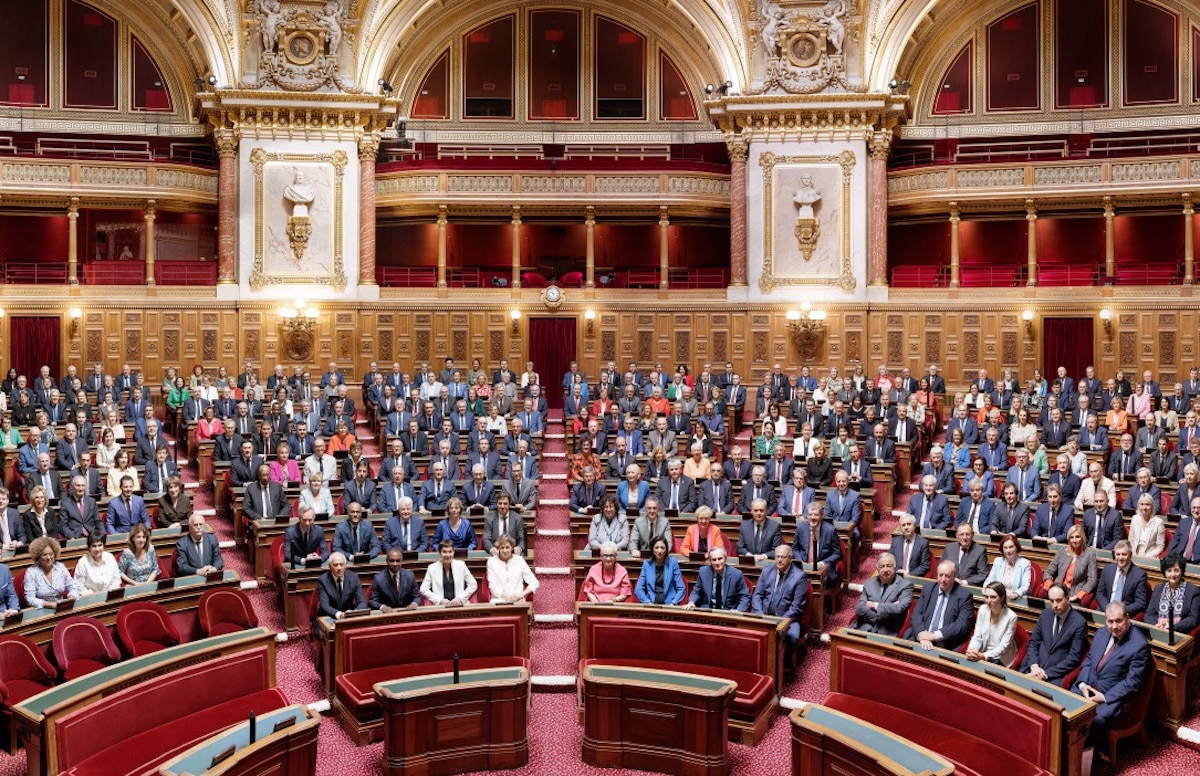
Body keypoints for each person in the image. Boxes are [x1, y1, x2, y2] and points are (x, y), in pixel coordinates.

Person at [1072, 602, 1152, 740]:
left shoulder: (1139, 645)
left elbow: (1133, 682)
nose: (1114, 626)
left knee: (1095, 720)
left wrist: (1104, 697)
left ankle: (1091, 751)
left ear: (1127, 618)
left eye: (1119, 621)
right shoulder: (1101, 633)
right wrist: (1083, 684)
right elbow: (1089, 660)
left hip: (1111, 697)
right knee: (1066, 706)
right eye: (1110, 621)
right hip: (1088, 688)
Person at [1022, 582, 1090, 685]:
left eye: (1058, 600)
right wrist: (1034, 666)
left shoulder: (1079, 623)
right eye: (1051, 601)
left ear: (1067, 599)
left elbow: (1073, 658)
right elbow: (1033, 643)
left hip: (1055, 675)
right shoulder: (1045, 614)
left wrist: (1045, 674)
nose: (1055, 605)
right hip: (1034, 667)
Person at [752, 545, 808, 670]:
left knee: (792, 637)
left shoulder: (799, 577)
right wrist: (760, 614)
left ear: (790, 558)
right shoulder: (767, 571)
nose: (779, 560)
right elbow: (757, 596)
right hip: (764, 615)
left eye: (783, 557)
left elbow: (796, 607)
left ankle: (784, 665)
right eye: (777, 557)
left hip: (788, 619)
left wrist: (781, 622)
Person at [904, 560, 974, 651]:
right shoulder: (928, 589)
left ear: (954, 576)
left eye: (947, 576)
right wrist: (922, 635)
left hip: (945, 643)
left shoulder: (964, 596)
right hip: (921, 638)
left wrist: (934, 636)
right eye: (940, 575)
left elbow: (962, 624)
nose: (943, 580)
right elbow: (916, 615)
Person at [853, 552, 913, 636]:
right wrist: (887, 612)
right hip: (863, 626)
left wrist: (874, 605)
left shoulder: (905, 585)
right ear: (877, 569)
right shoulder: (869, 583)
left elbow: (898, 609)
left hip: (887, 631)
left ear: (895, 567)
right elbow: (859, 609)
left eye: (889, 566)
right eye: (882, 567)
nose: (885, 570)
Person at [965, 581, 1018, 666]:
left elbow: (1003, 647)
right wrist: (972, 650)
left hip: (1000, 657)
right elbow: (977, 637)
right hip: (982, 651)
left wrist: (983, 656)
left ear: (1002, 598)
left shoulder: (1011, 617)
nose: (988, 601)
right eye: (986, 597)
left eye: (993, 597)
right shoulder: (983, 610)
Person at [1042, 525, 1098, 603]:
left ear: (1082, 538)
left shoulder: (1089, 555)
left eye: (1077, 537)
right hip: (1057, 591)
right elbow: (1048, 572)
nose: (1074, 540)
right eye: (1072, 537)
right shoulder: (1062, 551)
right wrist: (1051, 586)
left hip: (1074, 594)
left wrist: (1078, 595)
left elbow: (1092, 580)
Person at [1095, 540, 1150, 619]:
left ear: (1130, 555)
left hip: (1125, 614)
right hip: (1106, 610)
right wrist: (1107, 608)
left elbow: (1141, 602)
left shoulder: (1139, 575)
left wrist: (1120, 611)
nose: (1120, 558)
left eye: (1124, 554)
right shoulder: (1107, 569)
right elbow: (1100, 593)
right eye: (1118, 554)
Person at [684, 546, 750, 611]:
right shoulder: (703, 572)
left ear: (725, 559)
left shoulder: (736, 574)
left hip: (728, 613)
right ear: (710, 561)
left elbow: (745, 596)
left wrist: (738, 610)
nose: (717, 563)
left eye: (720, 559)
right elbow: (696, 591)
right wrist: (691, 602)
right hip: (707, 611)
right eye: (714, 560)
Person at [1147, 553, 1200, 633]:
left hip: (1180, 632)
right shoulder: (1158, 588)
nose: (1173, 574)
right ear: (1164, 572)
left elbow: (1193, 618)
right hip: (1158, 630)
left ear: (1182, 571)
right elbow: (1148, 614)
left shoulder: (1193, 590)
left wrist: (1171, 627)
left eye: (1176, 570)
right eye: (1169, 571)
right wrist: (1158, 625)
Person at [24, 536, 81, 608]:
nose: (49, 558)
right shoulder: (31, 572)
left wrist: (72, 597)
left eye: (51, 554)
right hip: (42, 609)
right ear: (38, 556)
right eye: (44, 555)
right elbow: (29, 599)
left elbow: (73, 587)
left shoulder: (60, 567)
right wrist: (51, 605)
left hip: (61, 608)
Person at [793, 502, 842, 584]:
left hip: (823, 568)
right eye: (810, 515)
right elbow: (795, 548)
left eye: (816, 515)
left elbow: (837, 553)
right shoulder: (800, 528)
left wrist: (823, 563)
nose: (812, 518)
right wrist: (800, 562)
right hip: (803, 566)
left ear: (821, 516)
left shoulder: (830, 530)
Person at [420, 539, 477, 606]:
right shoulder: (432, 568)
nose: (448, 555)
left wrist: (460, 598)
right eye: (444, 552)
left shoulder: (461, 565)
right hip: (440, 607)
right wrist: (439, 600)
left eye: (450, 552)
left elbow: (473, 585)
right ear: (439, 553)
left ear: (454, 552)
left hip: (459, 605)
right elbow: (423, 589)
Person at [486, 534, 538, 602]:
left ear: (512, 548)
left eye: (507, 547)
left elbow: (534, 583)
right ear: (498, 548)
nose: (505, 550)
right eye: (502, 548)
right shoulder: (491, 561)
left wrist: (522, 595)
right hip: (498, 600)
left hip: (518, 600)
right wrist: (507, 597)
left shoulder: (519, 560)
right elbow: (492, 587)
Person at [634, 537, 686, 605]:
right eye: (656, 547)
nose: (659, 551)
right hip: (651, 603)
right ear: (652, 549)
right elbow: (638, 589)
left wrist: (673, 603)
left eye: (662, 548)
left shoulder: (673, 563)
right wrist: (647, 602)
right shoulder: (647, 564)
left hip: (669, 604)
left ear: (666, 549)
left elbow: (681, 588)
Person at [316, 552, 367, 620]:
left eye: (341, 564)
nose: (339, 568)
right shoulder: (323, 580)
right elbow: (324, 606)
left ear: (345, 566)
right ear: (329, 566)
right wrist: (339, 614)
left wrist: (354, 612)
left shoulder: (354, 577)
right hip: (329, 615)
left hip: (348, 616)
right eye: (335, 565)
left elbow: (362, 602)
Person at [985, 534, 1032, 599]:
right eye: (1005, 548)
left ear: (1016, 547)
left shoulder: (1025, 563)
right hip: (998, 598)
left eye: (1011, 547)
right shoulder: (998, 561)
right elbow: (989, 579)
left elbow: (1025, 586)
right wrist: (985, 588)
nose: (1008, 551)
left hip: (1015, 599)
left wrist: (1016, 594)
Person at [890, 513, 930, 577]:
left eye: (909, 524)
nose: (906, 527)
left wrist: (909, 575)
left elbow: (925, 565)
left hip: (913, 577)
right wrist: (897, 572)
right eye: (903, 525)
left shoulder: (923, 543)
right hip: (896, 576)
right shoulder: (895, 541)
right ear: (900, 528)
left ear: (914, 526)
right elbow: (889, 560)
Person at [1128, 493, 1166, 559]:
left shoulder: (1159, 522)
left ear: (1152, 506)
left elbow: (1160, 546)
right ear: (1138, 506)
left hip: (1149, 556)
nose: (1144, 507)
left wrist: (1147, 558)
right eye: (1142, 504)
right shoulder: (1134, 519)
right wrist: (1132, 554)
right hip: (1134, 554)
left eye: (1147, 504)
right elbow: (1130, 540)